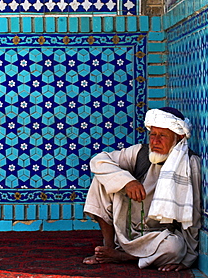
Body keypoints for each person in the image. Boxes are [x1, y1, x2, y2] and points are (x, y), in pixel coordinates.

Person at [83, 107, 201, 272]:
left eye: (162, 136)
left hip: (158, 237)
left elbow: (193, 213)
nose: (155, 142)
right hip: (126, 230)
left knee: (175, 248)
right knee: (101, 180)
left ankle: (123, 257)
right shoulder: (140, 153)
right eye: (153, 134)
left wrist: (187, 259)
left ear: (179, 137)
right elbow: (98, 161)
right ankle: (109, 247)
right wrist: (127, 181)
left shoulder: (190, 163)